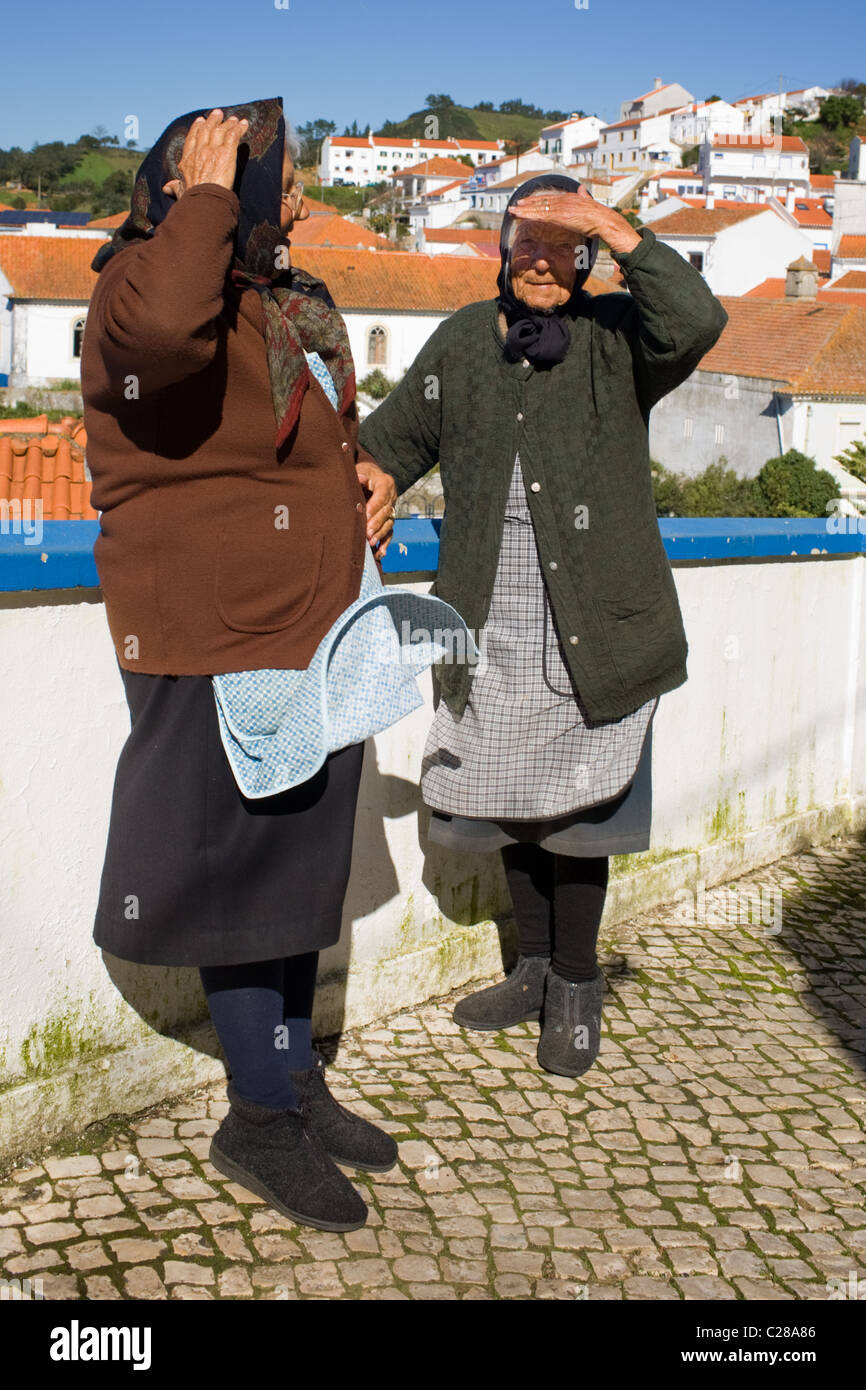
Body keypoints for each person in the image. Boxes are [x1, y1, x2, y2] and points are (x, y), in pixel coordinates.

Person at [81, 97, 443, 1234]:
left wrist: (368, 474)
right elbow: (157, 350)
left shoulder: (275, 303)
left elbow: (306, 427)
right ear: (199, 188)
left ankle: (292, 1080)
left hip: (307, 618)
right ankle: (256, 1116)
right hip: (216, 628)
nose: (293, 203)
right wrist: (198, 201)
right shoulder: (140, 282)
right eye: (272, 183)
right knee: (243, 883)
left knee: (294, 876)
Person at [359, 174, 728, 1080]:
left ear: (588, 256)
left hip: (594, 616)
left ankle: (575, 984)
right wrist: (371, 477)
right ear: (501, 249)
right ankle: (528, 967)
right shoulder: (459, 343)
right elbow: (393, 439)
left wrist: (610, 221)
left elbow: (698, 319)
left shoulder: (619, 339)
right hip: (490, 613)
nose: (542, 257)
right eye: (527, 237)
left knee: (580, 820)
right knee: (508, 805)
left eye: (564, 243)